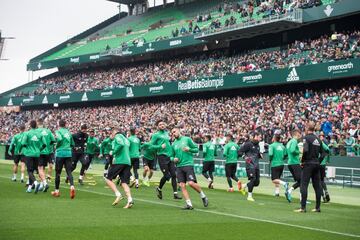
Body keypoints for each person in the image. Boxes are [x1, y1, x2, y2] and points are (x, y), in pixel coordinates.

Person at [171, 128, 208, 210]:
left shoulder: (187, 139)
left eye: (174, 131)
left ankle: (203, 196)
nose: (173, 133)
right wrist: (173, 159)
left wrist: (189, 149)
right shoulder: (173, 144)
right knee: (182, 185)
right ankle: (189, 204)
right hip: (179, 166)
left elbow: (196, 149)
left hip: (188, 164)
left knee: (191, 183)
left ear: (179, 131)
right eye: (172, 133)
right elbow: (171, 156)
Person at [295, 121, 324, 213]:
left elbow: (306, 150)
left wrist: (302, 161)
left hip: (308, 164)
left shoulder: (305, 138)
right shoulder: (318, 140)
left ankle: (303, 208)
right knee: (317, 186)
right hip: (316, 164)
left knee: (304, 185)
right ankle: (317, 207)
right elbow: (323, 153)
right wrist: (318, 162)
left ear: (307, 128)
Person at [150, 120, 181, 200]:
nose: (162, 125)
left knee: (174, 175)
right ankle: (159, 188)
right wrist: (160, 147)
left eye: (163, 124)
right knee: (167, 176)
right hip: (162, 157)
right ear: (157, 126)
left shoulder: (167, 133)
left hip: (169, 156)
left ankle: (175, 194)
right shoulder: (155, 135)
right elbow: (150, 146)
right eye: (160, 124)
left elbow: (169, 143)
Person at [104, 129, 134, 208]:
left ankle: (118, 194)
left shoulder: (118, 136)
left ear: (115, 132)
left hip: (119, 161)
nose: (111, 135)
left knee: (107, 178)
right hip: (127, 162)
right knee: (124, 182)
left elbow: (120, 145)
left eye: (112, 133)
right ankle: (130, 200)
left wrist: (113, 152)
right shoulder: (126, 139)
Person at [51, 119, 76, 199]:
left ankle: (57, 191)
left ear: (59, 124)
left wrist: (57, 146)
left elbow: (60, 139)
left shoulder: (58, 131)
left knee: (58, 173)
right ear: (65, 124)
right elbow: (73, 144)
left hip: (60, 153)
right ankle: (72, 186)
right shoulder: (68, 132)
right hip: (68, 153)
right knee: (69, 171)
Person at [21, 120, 46, 193]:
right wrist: (39, 149)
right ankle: (29, 187)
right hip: (37, 154)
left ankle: (35, 183)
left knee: (29, 171)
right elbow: (44, 144)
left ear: (30, 125)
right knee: (35, 170)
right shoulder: (40, 133)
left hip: (29, 154)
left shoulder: (27, 133)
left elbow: (23, 143)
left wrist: (27, 148)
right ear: (36, 125)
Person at [238, 132, 262, 201]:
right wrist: (244, 157)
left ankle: (243, 186)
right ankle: (249, 196)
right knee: (252, 179)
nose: (259, 138)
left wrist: (260, 155)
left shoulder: (258, 146)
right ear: (253, 137)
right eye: (258, 137)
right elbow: (239, 152)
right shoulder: (248, 144)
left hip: (256, 165)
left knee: (257, 183)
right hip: (250, 165)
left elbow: (256, 155)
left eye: (260, 137)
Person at [37, 118, 56, 192]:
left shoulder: (37, 131)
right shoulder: (48, 131)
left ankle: (44, 183)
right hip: (48, 152)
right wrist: (48, 147)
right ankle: (42, 185)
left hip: (40, 152)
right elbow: (53, 140)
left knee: (40, 168)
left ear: (38, 123)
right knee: (43, 168)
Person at [285, 129, 302, 202]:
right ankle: (289, 191)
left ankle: (290, 192)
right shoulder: (294, 141)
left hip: (290, 163)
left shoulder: (289, 142)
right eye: (299, 133)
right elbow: (292, 150)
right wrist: (299, 151)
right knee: (302, 180)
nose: (300, 135)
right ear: (296, 134)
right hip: (295, 163)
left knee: (300, 181)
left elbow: (286, 152)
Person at [319, 134, 331, 203]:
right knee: (322, 180)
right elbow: (328, 150)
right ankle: (326, 191)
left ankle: (322, 197)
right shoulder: (322, 143)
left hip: (317, 163)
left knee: (318, 182)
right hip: (323, 164)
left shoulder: (317, 143)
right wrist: (327, 160)